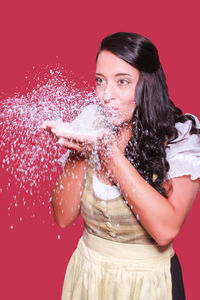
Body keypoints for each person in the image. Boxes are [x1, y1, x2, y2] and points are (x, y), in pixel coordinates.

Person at [42, 32, 200, 300]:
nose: (106, 95)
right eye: (100, 81)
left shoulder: (180, 135)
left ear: (147, 86)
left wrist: (108, 153)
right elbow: (63, 216)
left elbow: (165, 230)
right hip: (89, 278)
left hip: (148, 285)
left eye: (122, 82)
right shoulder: (91, 121)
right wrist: (78, 151)